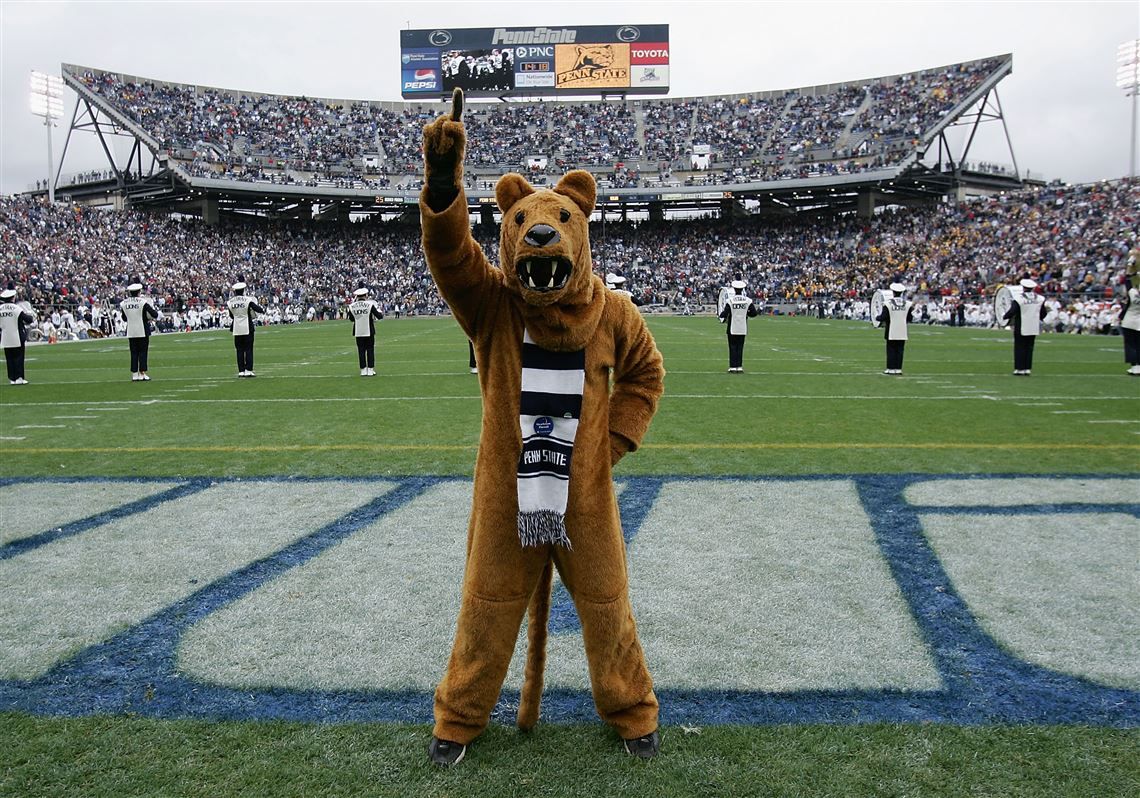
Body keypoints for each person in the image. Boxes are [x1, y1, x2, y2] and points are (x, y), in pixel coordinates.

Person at [120, 277, 161, 381]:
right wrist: (147, 317)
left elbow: (124, 318)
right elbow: (155, 314)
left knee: (133, 353)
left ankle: (134, 374)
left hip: (131, 331)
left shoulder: (124, 303)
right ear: (139, 292)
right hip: (142, 330)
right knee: (143, 352)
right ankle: (142, 373)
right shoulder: (142, 302)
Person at [1003, 277, 1047, 376]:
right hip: (1033, 326)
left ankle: (1019, 368)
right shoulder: (1040, 299)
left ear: (1023, 288)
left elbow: (1012, 311)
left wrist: (1004, 317)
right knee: (1029, 347)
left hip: (1021, 325)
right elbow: (1043, 313)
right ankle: (1027, 368)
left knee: (1019, 347)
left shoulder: (1019, 299)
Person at [227, 278, 266, 377]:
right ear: (243, 290)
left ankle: (241, 371)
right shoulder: (247, 300)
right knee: (248, 349)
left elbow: (231, 316)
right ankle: (248, 370)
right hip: (247, 326)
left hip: (236, 327)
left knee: (239, 349)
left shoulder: (230, 302)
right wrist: (262, 310)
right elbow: (256, 308)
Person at [0, 284, 36, 385]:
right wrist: (32, 316)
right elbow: (27, 319)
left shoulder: (1, 308)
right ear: (12, 297)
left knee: (9, 358)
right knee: (19, 357)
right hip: (17, 335)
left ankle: (12, 378)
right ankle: (19, 377)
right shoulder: (16, 308)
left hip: (5, 335)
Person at [718, 279, 757, 373]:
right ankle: (739, 366)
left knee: (732, 347)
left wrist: (720, 315)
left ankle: (732, 367)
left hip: (732, 327)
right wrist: (746, 314)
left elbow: (724, 314)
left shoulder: (730, 300)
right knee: (740, 347)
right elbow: (754, 313)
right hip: (743, 327)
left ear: (734, 289)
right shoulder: (748, 301)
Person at [877, 282, 914, 375]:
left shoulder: (888, 303)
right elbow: (910, 318)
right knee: (900, 350)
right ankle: (898, 368)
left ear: (893, 292)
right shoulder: (908, 304)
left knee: (891, 350)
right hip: (902, 330)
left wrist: (876, 317)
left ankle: (890, 368)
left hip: (891, 330)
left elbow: (883, 317)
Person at [348, 285, 384, 376]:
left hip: (358, 331)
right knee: (370, 350)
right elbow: (379, 316)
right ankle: (370, 369)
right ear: (365, 295)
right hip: (369, 331)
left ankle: (363, 370)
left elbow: (351, 319)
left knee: (361, 350)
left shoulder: (352, 306)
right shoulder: (370, 305)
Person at [1120, 250, 1140, 376]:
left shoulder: (1132, 292)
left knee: (1130, 344)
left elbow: (1127, 279)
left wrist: (1130, 265)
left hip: (1129, 321)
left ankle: (1135, 366)